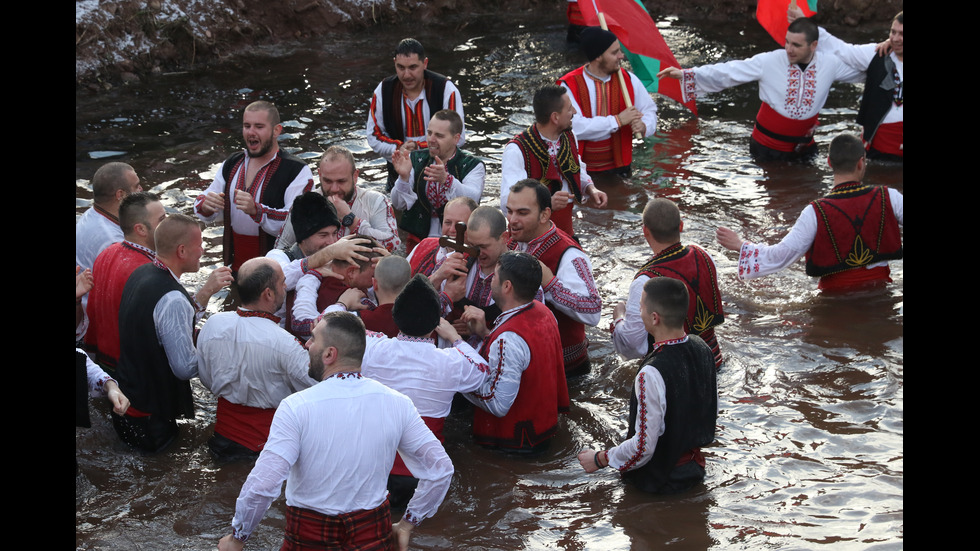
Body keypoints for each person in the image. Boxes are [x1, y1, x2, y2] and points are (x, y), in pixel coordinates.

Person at [217, 312, 453, 551]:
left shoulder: (296, 407)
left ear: (330, 354)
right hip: (373, 534)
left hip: (309, 535)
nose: (307, 345)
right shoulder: (398, 403)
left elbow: (263, 485)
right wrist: (407, 524)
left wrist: (238, 537)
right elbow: (441, 469)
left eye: (313, 339)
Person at [329, 274, 489, 507]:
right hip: (421, 477)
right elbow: (482, 370)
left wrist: (342, 304)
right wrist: (455, 338)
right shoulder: (451, 362)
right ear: (436, 323)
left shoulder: (373, 348)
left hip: (371, 472)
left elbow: (329, 324)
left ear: (396, 317)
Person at [577, 278, 718, 494]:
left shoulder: (651, 373)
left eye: (641, 307)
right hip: (695, 470)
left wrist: (600, 459)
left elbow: (643, 446)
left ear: (654, 318)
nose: (639, 312)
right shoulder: (703, 348)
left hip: (659, 481)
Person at [657, 17, 863, 162]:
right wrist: (687, 74)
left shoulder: (831, 64)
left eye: (796, 45)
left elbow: (863, 71)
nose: (788, 49)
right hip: (766, 148)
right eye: (787, 42)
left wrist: (891, 57)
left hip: (803, 148)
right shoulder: (770, 61)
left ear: (814, 45)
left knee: (806, 193)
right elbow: (730, 72)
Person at [716, 133, 903, 291]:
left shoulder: (815, 212)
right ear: (861, 162)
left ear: (829, 162)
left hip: (834, 301)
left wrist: (740, 245)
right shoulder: (889, 197)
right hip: (880, 293)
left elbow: (782, 255)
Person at [112, 214, 234, 453]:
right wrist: (218, 348)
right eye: (199, 244)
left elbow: (163, 327)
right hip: (150, 417)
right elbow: (185, 367)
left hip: (126, 398)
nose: (203, 249)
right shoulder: (172, 298)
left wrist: (206, 291)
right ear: (181, 251)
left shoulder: (142, 272)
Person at [197, 257, 317, 461]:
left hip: (220, 438)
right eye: (282, 282)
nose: (286, 286)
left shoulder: (212, 324)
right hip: (264, 446)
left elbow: (206, 378)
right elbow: (314, 391)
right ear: (268, 294)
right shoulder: (285, 344)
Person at [461, 251, 569, 452]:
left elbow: (497, 402)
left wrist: (457, 376)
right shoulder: (544, 312)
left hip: (512, 445)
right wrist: (486, 333)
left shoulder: (508, 339)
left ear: (507, 286)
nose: (491, 281)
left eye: (494, 276)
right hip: (542, 431)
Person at [194, 101, 315, 272]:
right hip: (234, 269)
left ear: (276, 130)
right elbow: (204, 204)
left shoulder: (297, 170)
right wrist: (207, 206)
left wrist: (257, 211)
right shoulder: (231, 163)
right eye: (247, 126)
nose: (251, 132)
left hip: (279, 273)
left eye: (259, 126)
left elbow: (296, 223)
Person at [611, 198, 725, 368]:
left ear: (645, 231)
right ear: (681, 226)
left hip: (673, 371)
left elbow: (633, 346)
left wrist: (618, 318)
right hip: (713, 360)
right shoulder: (704, 256)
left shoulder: (645, 281)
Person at [505, 180, 601, 376]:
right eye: (509, 211)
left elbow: (593, 311)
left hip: (567, 371)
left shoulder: (569, 254)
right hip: (528, 365)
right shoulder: (512, 241)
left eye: (522, 213)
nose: (512, 220)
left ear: (544, 215)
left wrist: (550, 284)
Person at [793, 8, 903, 161]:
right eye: (893, 32)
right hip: (879, 149)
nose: (896, 38)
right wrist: (806, 26)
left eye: (901, 34)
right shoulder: (877, 54)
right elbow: (842, 50)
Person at [502, 84, 608, 237]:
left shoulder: (570, 136)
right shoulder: (516, 150)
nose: (575, 113)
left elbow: (577, 167)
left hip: (565, 233)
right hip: (530, 238)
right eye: (570, 109)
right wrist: (546, 204)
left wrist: (591, 189)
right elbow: (508, 201)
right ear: (555, 117)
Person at [558, 26, 658, 178]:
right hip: (581, 171)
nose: (621, 56)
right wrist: (617, 121)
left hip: (621, 168)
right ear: (598, 56)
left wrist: (644, 126)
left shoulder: (628, 79)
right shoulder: (569, 85)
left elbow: (649, 110)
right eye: (614, 52)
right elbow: (574, 127)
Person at [367, 38, 466, 191]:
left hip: (440, 171)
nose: (406, 75)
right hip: (398, 171)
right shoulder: (383, 90)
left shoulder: (446, 89)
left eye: (413, 67)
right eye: (400, 67)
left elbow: (457, 137)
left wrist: (419, 149)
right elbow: (373, 136)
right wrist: (399, 148)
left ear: (425, 63)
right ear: (394, 63)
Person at [85, 192, 167, 373]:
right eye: (162, 220)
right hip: (135, 371)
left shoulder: (107, 253)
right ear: (141, 229)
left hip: (103, 361)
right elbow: (165, 328)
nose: (169, 225)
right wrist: (204, 295)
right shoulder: (150, 270)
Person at [391, 109, 485, 252]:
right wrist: (403, 178)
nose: (431, 140)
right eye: (429, 133)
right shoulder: (415, 159)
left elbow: (473, 198)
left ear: (456, 138)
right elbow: (398, 204)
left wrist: (447, 180)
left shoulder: (473, 165)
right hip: (419, 239)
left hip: (458, 239)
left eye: (439, 135)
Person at [276, 146, 400, 252]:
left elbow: (394, 247)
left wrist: (351, 220)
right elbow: (280, 250)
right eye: (328, 181)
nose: (334, 189)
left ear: (355, 176)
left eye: (341, 181)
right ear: (319, 175)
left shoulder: (376, 201)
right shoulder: (305, 204)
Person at [290, 236, 386, 340]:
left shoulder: (314, 278)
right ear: (351, 272)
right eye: (373, 275)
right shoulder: (354, 299)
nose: (376, 279)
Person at [439, 206, 511, 338]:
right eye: (472, 246)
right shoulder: (454, 262)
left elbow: (521, 339)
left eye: (483, 246)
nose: (477, 253)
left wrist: (484, 332)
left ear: (504, 237)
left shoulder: (520, 277)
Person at [76, 162, 143, 271]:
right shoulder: (113, 242)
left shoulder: (90, 214)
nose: (141, 189)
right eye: (136, 186)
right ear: (120, 195)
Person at [406, 196, 477, 278]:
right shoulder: (425, 244)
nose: (452, 229)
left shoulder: (477, 261)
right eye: (448, 222)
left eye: (460, 225)